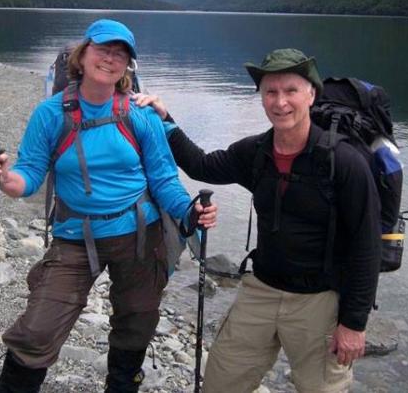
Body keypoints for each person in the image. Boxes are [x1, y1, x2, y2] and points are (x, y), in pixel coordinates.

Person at [0, 18, 217, 393]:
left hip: (140, 234)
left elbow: (164, 179)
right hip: (74, 234)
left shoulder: (141, 116)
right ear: (83, 53)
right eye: (103, 49)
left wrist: (189, 212)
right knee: (39, 327)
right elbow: (29, 173)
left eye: (120, 54)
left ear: (127, 67)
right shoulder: (50, 113)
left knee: (136, 323)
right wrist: (5, 178)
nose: (110, 59)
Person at [134, 48, 381, 392]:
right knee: (221, 384)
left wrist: (354, 323)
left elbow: (366, 246)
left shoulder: (344, 163)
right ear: (262, 97)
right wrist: (165, 118)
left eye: (291, 90)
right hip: (261, 290)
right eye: (271, 92)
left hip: (319, 300)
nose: (280, 102)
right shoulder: (256, 153)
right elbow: (201, 165)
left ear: (311, 94)